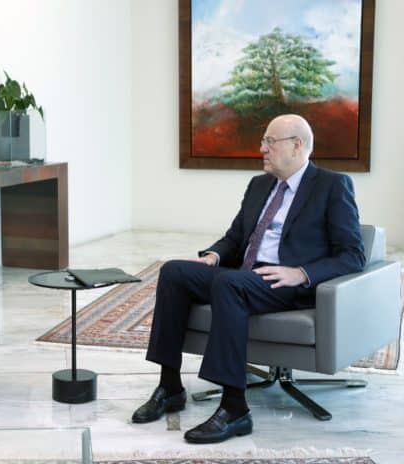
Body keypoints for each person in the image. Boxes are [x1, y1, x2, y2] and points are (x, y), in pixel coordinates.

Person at [132, 114, 365, 444]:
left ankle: (234, 408)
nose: (262, 149)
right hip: (246, 275)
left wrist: (300, 273)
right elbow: (235, 237)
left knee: (229, 284)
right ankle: (170, 387)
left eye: (270, 142)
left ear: (297, 145)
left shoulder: (331, 185)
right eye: (263, 141)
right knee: (174, 272)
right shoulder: (259, 185)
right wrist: (213, 256)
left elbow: (352, 254)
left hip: (286, 283)